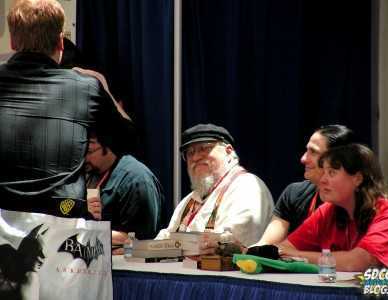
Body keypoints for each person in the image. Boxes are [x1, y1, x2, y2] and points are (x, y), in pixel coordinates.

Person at [0, 0, 134, 217]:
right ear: (61, 42)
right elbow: (128, 142)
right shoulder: (85, 88)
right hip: (62, 231)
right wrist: (103, 88)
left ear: (13, 42)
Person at [278, 144, 388, 272]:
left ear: (357, 178)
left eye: (331, 172)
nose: (322, 180)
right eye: (323, 172)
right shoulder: (327, 211)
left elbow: (357, 263)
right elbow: (283, 249)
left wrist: (296, 257)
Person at [156, 123, 274, 247]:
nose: (195, 157)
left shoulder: (247, 187)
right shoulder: (191, 199)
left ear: (228, 152)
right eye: (190, 153)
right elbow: (167, 238)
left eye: (204, 148)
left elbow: (234, 243)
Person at [254, 125, 355, 246]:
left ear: (337, 160)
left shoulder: (360, 204)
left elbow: (355, 260)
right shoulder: (294, 193)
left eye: (313, 152)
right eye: (307, 150)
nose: (303, 159)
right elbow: (267, 246)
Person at [85, 136, 163, 245]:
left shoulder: (136, 180)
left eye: (89, 151)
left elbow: (140, 240)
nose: (84, 157)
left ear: (108, 145)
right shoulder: (91, 173)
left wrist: (87, 232)